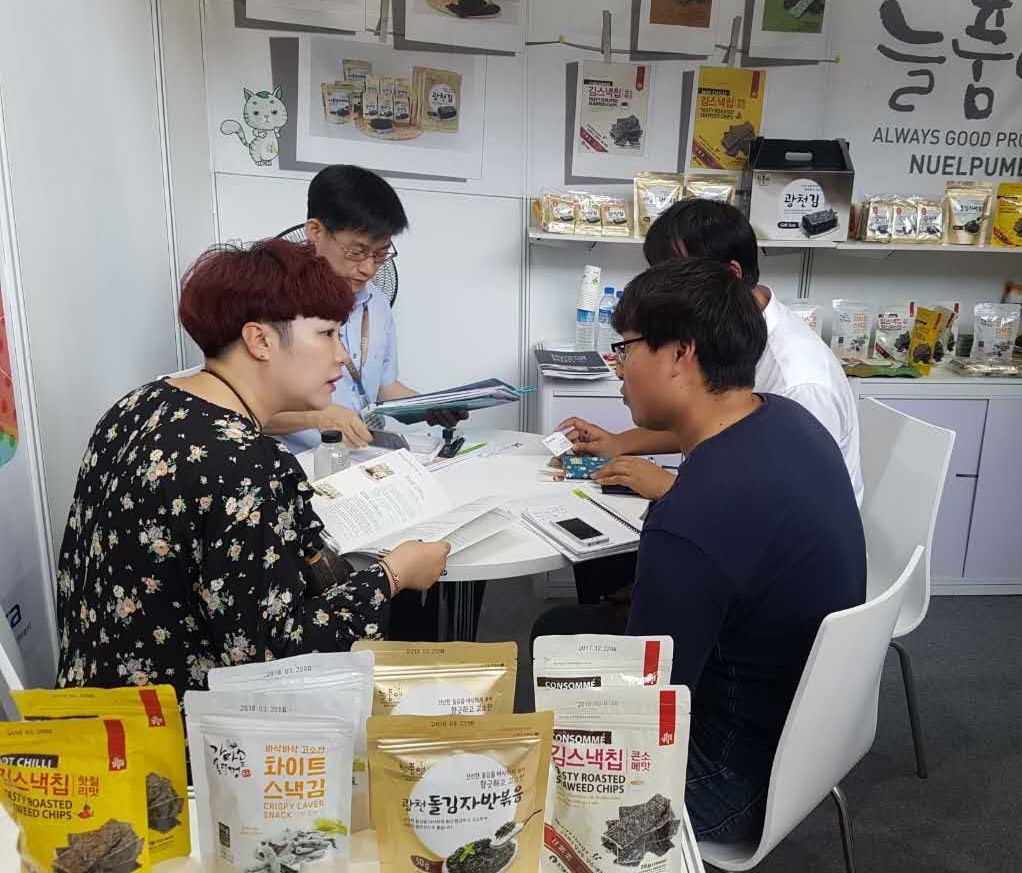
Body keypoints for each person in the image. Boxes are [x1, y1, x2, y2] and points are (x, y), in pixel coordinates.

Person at [534, 259, 867, 843]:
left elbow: (643, 706)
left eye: (625, 348)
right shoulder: (787, 419)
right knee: (556, 629)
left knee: (520, 765)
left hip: (730, 778)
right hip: (810, 737)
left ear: (680, 354)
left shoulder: (693, 513)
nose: (618, 367)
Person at [55, 240, 449, 699]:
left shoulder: (137, 405)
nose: (341, 355)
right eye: (327, 334)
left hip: (92, 705)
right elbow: (274, 657)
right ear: (260, 340)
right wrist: (393, 575)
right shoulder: (244, 462)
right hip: (181, 726)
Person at [559, 198, 863, 507]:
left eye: (677, 277)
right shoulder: (722, 334)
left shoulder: (799, 382)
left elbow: (789, 505)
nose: (660, 293)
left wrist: (672, 487)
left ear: (731, 276)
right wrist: (619, 443)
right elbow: (709, 421)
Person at [265, 164, 463, 453]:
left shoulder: (377, 303)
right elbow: (236, 410)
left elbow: (383, 387)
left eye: (380, 254)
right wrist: (317, 417)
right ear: (315, 231)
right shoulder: (269, 303)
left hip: (364, 457)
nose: (368, 269)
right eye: (356, 252)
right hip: (299, 464)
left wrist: (429, 408)